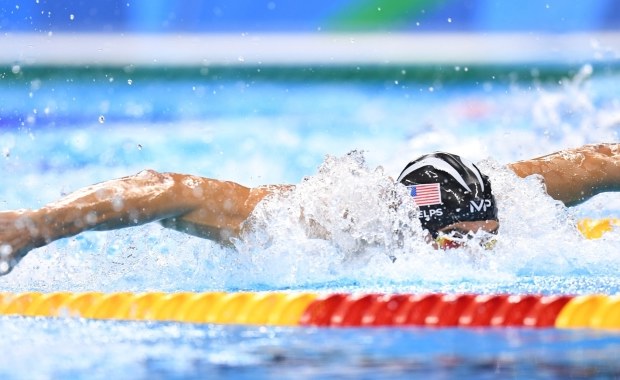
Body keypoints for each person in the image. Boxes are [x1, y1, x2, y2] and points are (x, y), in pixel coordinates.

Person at [0, 142, 618, 275]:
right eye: (459, 241)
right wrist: (34, 228)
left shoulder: (507, 195)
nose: (480, 252)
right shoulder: (313, 226)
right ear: (415, 228)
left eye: (487, 235)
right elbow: (169, 186)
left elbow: (601, 160)